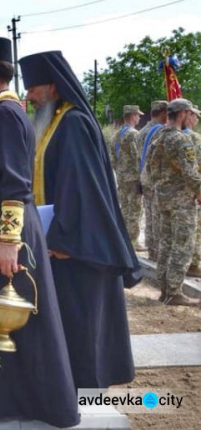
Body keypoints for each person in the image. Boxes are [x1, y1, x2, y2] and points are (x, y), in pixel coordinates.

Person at [0, 37, 79, 427]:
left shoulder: (5, 113)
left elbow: (15, 183)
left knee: (22, 322)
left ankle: (46, 405)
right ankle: (6, 401)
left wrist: (8, 243)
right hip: (2, 233)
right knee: (6, 324)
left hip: (9, 237)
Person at [19, 50, 138, 390]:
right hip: (59, 243)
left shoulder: (73, 123)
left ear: (53, 88)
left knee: (84, 328)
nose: (27, 96)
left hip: (77, 250)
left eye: (33, 89)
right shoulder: (52, 123)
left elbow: (82, 189)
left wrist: (62, 240)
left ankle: (87, 395)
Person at [145, 98, 201, 305]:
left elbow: (149, 169)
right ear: (184, 113)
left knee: (166, 244)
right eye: (189, 113)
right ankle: (175, 292)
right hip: (181, 200)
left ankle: (165, 290)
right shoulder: (180, 140)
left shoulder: (158, 137)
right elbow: (190, 173)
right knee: (183, 244)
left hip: (163, 199)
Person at [110, 105, 144, 250]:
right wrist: (142, 176)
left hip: (122, 177)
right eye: (138, 115)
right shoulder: (133, 134)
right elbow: (138, 157)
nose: (139, 118)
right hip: (134, 177)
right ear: (132, 116)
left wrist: (119, 170)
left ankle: (123, 238)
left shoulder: (116, 134)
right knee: (135, 209)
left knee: (124, 208)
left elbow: (111, 158)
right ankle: (133, 241)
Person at [138, 100, 167, 261]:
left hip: (144, 177)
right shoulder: (161, 131)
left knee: (149, 215)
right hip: (155, 179)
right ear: (163, 113)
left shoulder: (142, 131)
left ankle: (151, 250)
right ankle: (157, 251)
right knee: (157, 216)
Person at [183, 106, 201, 278]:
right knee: (195, 230)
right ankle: (194, 264)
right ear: (188, 117)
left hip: (173, 192)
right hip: (193, 192)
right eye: (195, 117)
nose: (196, 120)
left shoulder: (167, 135)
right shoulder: (194, 138)